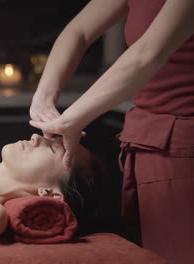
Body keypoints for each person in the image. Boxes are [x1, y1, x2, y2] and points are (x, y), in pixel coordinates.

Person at [28, 0, 194, 263]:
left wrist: (72, 119)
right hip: (149, 143)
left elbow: (147, 53)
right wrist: (44, 96)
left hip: (181, 148)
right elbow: (78, 31)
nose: (35, 138)